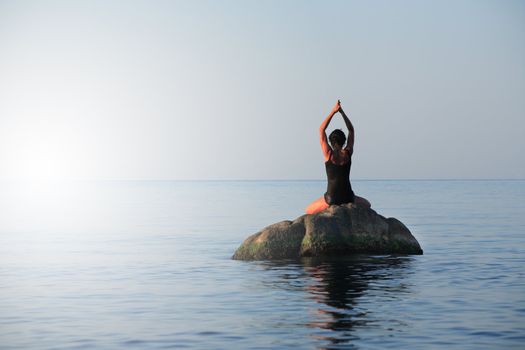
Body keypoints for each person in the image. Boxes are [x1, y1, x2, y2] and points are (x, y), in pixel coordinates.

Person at [305, 100, 371, 214]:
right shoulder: (348, 152)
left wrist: (333, 112)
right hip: (348, 197)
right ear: (344, 141)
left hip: (331, 199)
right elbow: (351, 130)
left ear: (330, 141)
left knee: (308, 210)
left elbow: (321, 130)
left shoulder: (328, 154)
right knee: (368, 204)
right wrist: (342, 112)